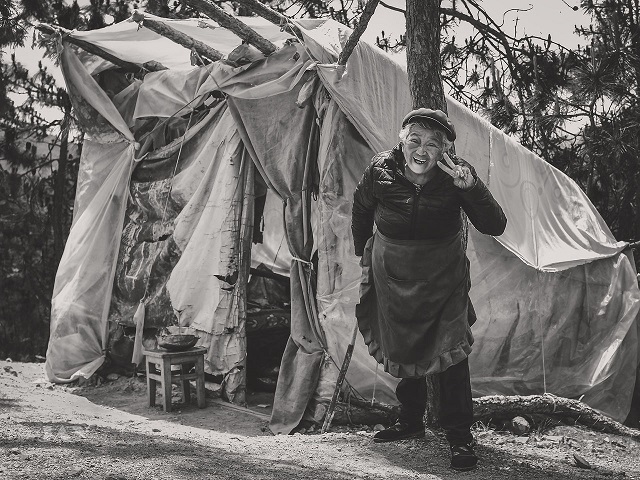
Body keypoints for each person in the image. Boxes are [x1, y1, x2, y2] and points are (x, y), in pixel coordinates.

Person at [351, 108, 507, 471]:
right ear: (402, 141)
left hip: (442, 276)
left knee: (451, 351)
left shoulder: (457, 174)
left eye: (433, 144)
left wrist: (472, 188)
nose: (422, 150)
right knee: (404, 343)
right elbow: (361, 209)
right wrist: (362, 253)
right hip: (393, 272)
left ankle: (460, 436)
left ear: (445, 149)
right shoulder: (381, 169)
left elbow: (495, 225)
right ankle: (410, 421)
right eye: (415, 140)